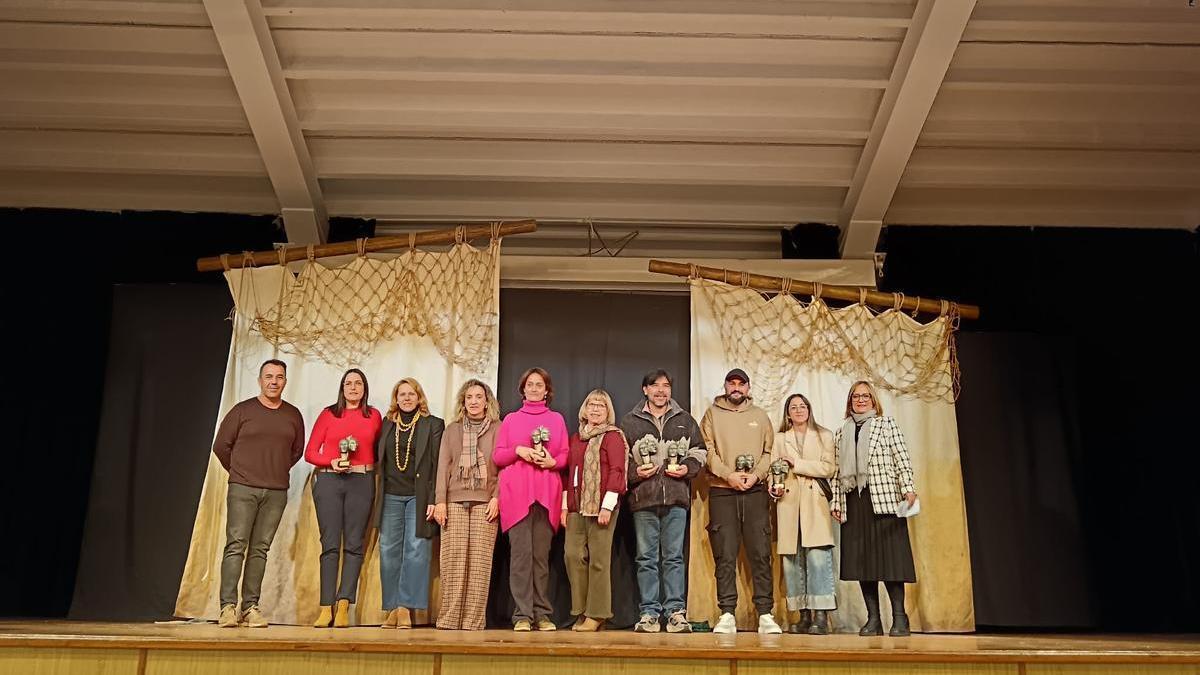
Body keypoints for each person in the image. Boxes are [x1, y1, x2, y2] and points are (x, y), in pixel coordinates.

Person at [211, 359, 305, 628]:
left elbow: (296, 451)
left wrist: (274, 470)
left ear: (285, 381)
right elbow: (221, 446)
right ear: (260, 380)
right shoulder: (243, 410)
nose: (273, 381)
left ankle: (250, 606)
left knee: (260, 550)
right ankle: (227, 607)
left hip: (276, 492)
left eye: (279, 377)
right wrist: (240, 472)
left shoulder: (293, 415)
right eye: (268, 376)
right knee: (236, 545)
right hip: (242, 488)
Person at [619, 369, 706, 634]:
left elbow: (700, 451)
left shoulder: (685, 420)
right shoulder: (630, 422)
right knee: (645, 558)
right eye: (655, 386)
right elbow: (621, 459)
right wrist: (635, 473)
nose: (661, 390)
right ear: (645, 389)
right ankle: (648, 614)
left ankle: (676, 613)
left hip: (677, 498)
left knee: (674, 558)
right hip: (643, 500)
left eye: (666, 385)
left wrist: (687, 469)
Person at [832, 380, 918, 637]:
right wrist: (836, 502)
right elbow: (837, 472)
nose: (860, 400)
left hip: (885, 500)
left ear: (873, 400)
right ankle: (873, 620)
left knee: (891, 560)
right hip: (855, 501)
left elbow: (901, 457)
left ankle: (900, 619)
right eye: (856, 396)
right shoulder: (841, 432)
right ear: (850, 402)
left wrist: (908, 487)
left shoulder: (886, 424)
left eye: (865, 396)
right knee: (862, 562)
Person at [700, 368, 781, 634]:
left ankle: (766, 614)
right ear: (725, 386)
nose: (736, 388)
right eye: (732, 383)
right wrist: (728, 475)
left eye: (741, 384)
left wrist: (756, 476)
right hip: (722, 491)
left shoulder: (759, 416)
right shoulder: (712, 414)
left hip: (755, 493)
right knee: (725, 554)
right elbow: (707, 450)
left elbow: (769, 452)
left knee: (760, 553)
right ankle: (727, 613)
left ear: (747, 388)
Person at [493, 367, 569, 631]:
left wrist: (552, 461)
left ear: (547, 391)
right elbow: (498, 457)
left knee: (540, 558)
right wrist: (519, 450)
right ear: (523, 389)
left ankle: (542, 614)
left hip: (546, 495)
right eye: (530, 384)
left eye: (540, 385)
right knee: (520, 558)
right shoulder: (511, 420)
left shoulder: (557, 419)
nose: (535, 388)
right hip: (517, 497)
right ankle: (522, 615)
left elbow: (564, 456)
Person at [305, 368, 382, 628]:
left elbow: (379, 452)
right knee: (329, 545)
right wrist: (331, 461)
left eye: (358, 383)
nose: (353, 387)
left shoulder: (373, 416)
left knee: (353, 544)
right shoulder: (329, 414)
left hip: (361, 482)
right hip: (329, 481)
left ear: (364, 388)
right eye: (348, 383)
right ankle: (325, 605)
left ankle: (343, 605)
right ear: (342, 388)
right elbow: (310, 452)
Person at [375, 377, 445, 629]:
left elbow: (438, 464)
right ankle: (393, 607)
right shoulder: (386, 425)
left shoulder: (433, 424)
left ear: (419, 397)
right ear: (395, 398)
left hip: (419, 497)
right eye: (401, 394)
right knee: (388, 551)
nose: (406, 398)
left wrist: (435, 499)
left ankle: (406, 607)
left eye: (411, 394)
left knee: (417, 552)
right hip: (391, 496)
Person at [432, 379, 502, 630]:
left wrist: (498, 497)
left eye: (478, 397)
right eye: (469, 397)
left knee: (480, 564)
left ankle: (472, 622)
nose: (473, 401)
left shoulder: (498, 428)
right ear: (463, 401)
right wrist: (440, 501)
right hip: (454, 501)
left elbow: (504, 466)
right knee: (453, 561)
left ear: (487, 402)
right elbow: (442, 467)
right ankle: (450, 619)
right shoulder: (452, 430)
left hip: (486, 503)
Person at [770, 393, 837, 635]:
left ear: (809, 410)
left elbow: (829, 468)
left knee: (818, 559)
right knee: (792, 560)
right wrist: (773, 486)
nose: (798, 410)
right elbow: (773, 470)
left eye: (802, 406)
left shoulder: (824, 435)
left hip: (814, 503)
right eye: (793, 407)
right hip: (788, 503)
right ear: (788, 413)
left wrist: (797, 463)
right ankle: (803, 614)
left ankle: (821, 615)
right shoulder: (779, 438)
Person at [562, 389, 628, 632]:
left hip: (603, 507)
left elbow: (617, 471)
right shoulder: (576, 438)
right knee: (572, 555)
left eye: (601, 405)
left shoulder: (613, 437)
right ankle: (580, 610)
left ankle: (597, 614)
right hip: (577, 507)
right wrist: (565, 506)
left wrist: (607, 506)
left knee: (599, 561)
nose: (596, 409)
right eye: (592, 404)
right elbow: (570, 474)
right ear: (584, 409)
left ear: (607, 410)